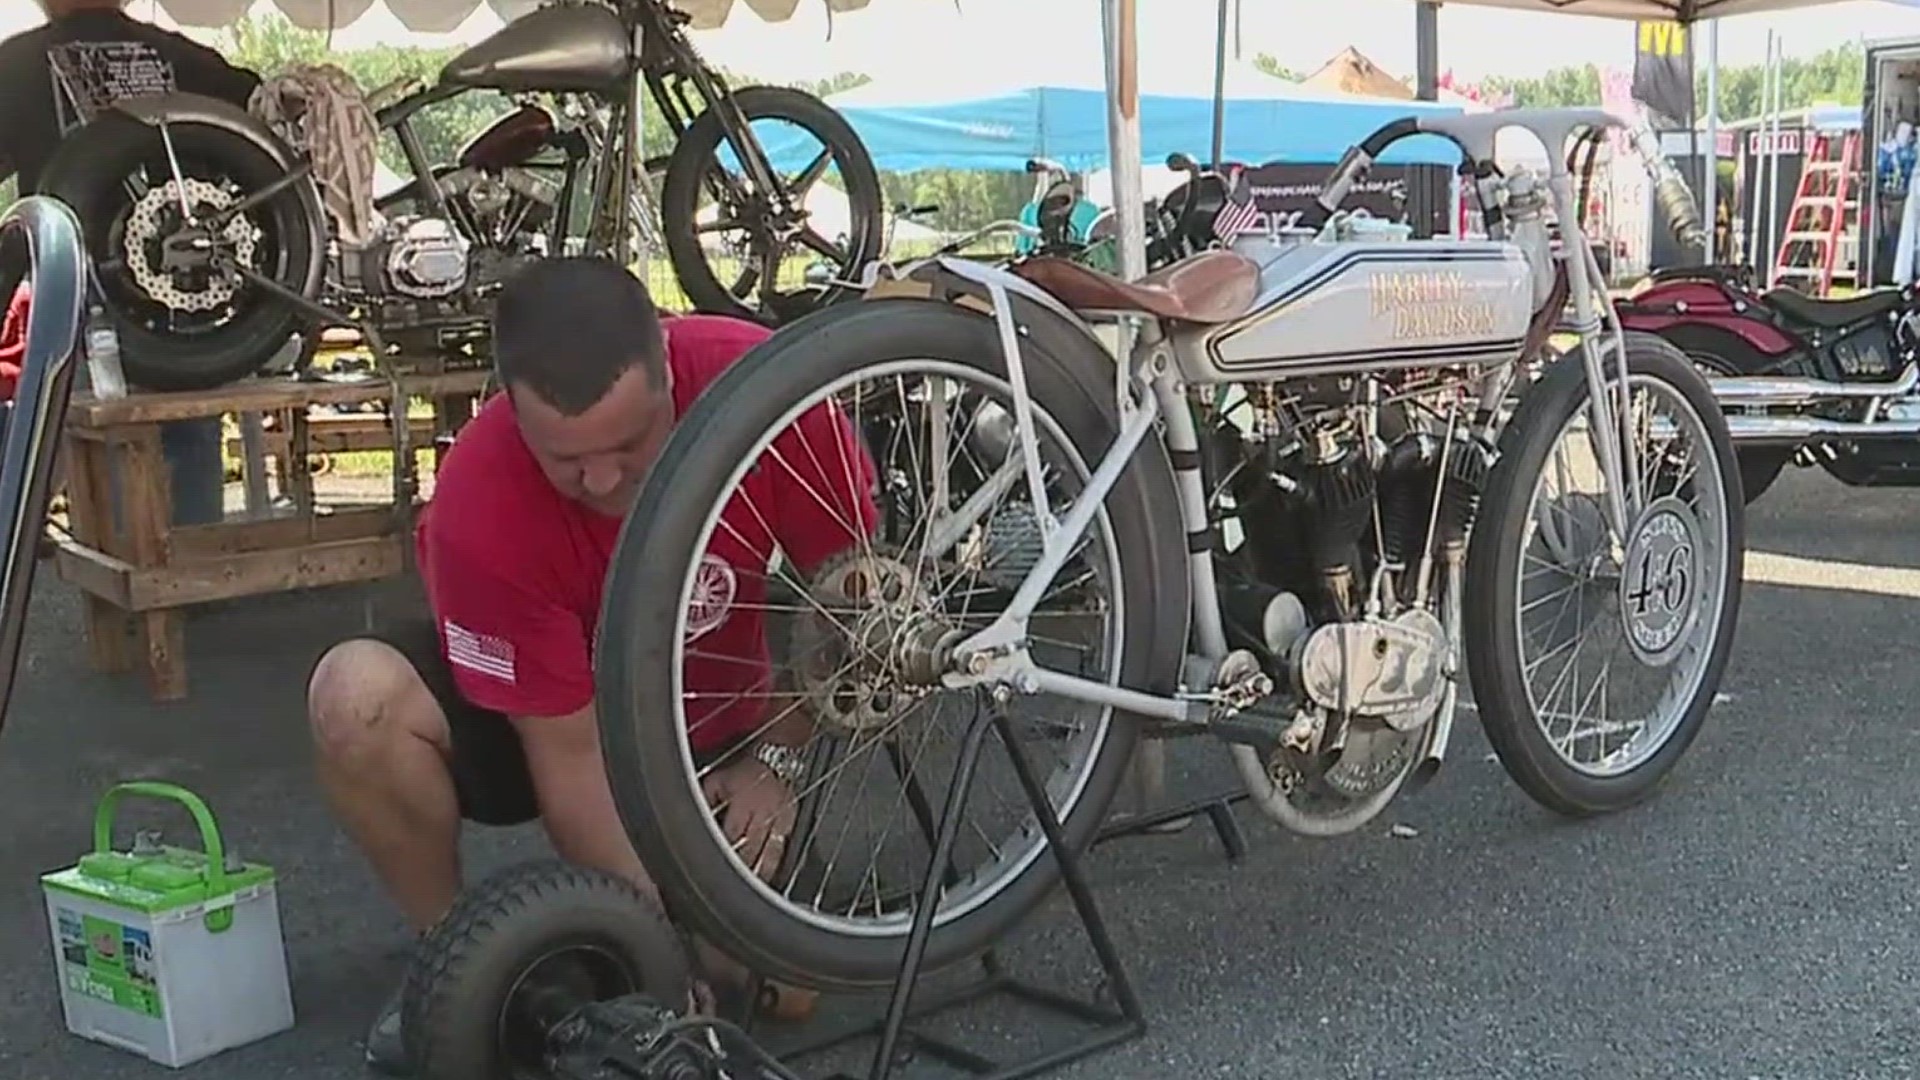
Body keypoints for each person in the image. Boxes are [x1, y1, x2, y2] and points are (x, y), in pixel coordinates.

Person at [306, 257, 877, 1076]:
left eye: (629, 442)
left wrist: (777, 761)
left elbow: (854, 608)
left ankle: (597, 942)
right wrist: (657, 962)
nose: (602, 479)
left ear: (669, 376)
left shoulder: (765, 391)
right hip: (550, 726)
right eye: (565, 459)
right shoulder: (481, 493)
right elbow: (570, 761)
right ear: (514, 412)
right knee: (354, 695)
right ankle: (455, 958)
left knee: (780, 991)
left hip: (712, 726)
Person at [0, 0, 261, 525]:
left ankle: (101, 575)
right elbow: (261, 127)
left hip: (71, 298)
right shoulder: (189, 60)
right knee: (187, 433)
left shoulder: (15, 65)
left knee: (65, 436)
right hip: (184, 307)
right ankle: (190, 580)